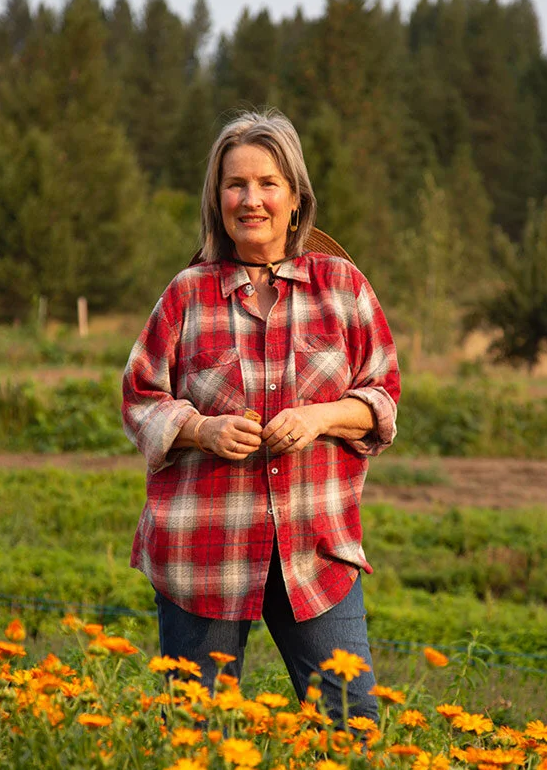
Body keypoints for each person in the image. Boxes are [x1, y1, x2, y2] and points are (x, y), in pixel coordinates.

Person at [122, 109, 400, 728]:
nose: (251, 200)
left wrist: (321, 417)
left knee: (350, 721)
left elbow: (382, 396)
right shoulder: (186, 294)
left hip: (315, 550)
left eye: (268, 183)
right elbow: (139, 398)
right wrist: (201, 429)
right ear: (216, 199)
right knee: (196, 730)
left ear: (296, 198)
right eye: (236, 185)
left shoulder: (343, 287)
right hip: (203, 550)